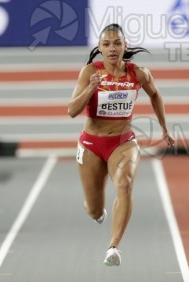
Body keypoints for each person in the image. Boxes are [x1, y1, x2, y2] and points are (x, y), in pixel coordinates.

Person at [68, 23, 175, 266]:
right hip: (91, 144)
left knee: (124, 185)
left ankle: (113, 247)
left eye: (117, 43)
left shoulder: (138, 73)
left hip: (123, 141)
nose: (112, 48)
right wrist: (91, 89)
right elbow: (72, 110)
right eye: (106, 44)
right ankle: (98, 212)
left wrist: (164, 128)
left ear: (125, 46)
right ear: (100, 48)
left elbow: (155, 94)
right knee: (94, 209)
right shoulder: (89, 72)